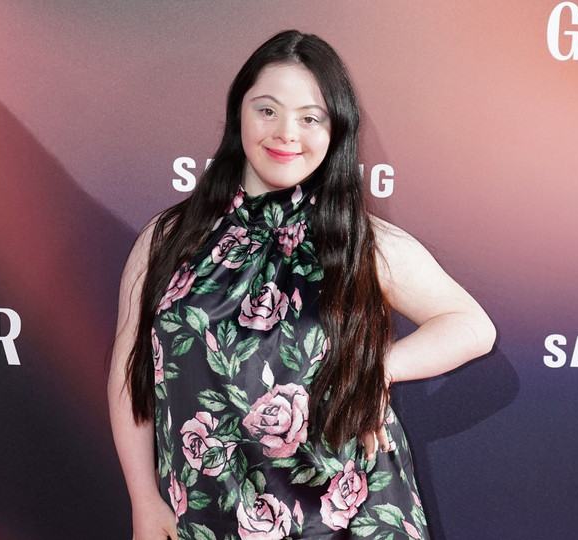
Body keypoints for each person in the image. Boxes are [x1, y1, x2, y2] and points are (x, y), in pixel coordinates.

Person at [108, 30, 496, 540]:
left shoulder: (361, 242)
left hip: (346, 522)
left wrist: (378, 371)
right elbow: (131, 374)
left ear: (336, 130)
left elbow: (472, 326)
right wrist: (143, 499)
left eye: (310, 118)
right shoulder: (168, 239)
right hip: (205, 516)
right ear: (239, 112)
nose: (285, 133)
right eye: (267, 110)